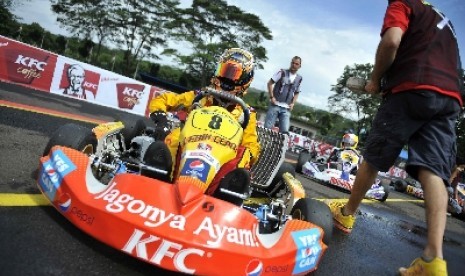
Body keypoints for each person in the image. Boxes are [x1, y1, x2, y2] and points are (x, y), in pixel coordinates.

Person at [325, 1, 464, 275]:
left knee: (374, 156)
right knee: (433, 171)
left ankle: (347, 214)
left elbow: (391, 41)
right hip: (450, 98)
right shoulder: (445, 21)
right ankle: (433, 260)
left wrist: (376, 80)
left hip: (412, 88)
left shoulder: (404, 3)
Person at [148, 48, 261, 202]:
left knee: (243, 154)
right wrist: (161, 119)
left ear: (244, 80)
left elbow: (251, 144)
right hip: (191, 142)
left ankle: (226, 193)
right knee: (174, 135)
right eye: (223, 70)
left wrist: (248, 155)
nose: (224, 76)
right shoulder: (200, 96)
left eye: (231, 73)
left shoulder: (246, 113)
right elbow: (164, 100)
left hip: (222, 150)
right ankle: (159, 172)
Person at [264, 56, 302, 133]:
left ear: (299, 66)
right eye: (292, 63)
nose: (294, 65)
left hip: (286, 108)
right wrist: (272, 97)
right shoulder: (282, 72)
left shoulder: (299, 78)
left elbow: (297, 92)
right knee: (267, 129)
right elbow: (270, 83)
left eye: (296, 64)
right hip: (275, 105)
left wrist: (293, 103)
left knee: (284, 132)